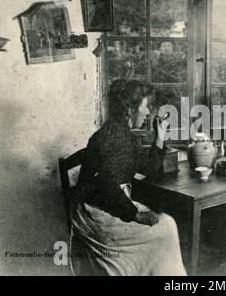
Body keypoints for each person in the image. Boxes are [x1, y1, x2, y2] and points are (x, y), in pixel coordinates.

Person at [69, 79, 186, 276]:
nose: (148, 112)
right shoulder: (115, 135)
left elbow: (149, 168)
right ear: (130, 109)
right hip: (96, 210)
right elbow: (106, 183)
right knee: (167, 227)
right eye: (145, 106)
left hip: (110, 200)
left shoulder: (121, 132)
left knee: (165, 223)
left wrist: (160, 136)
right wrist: (135, 214)